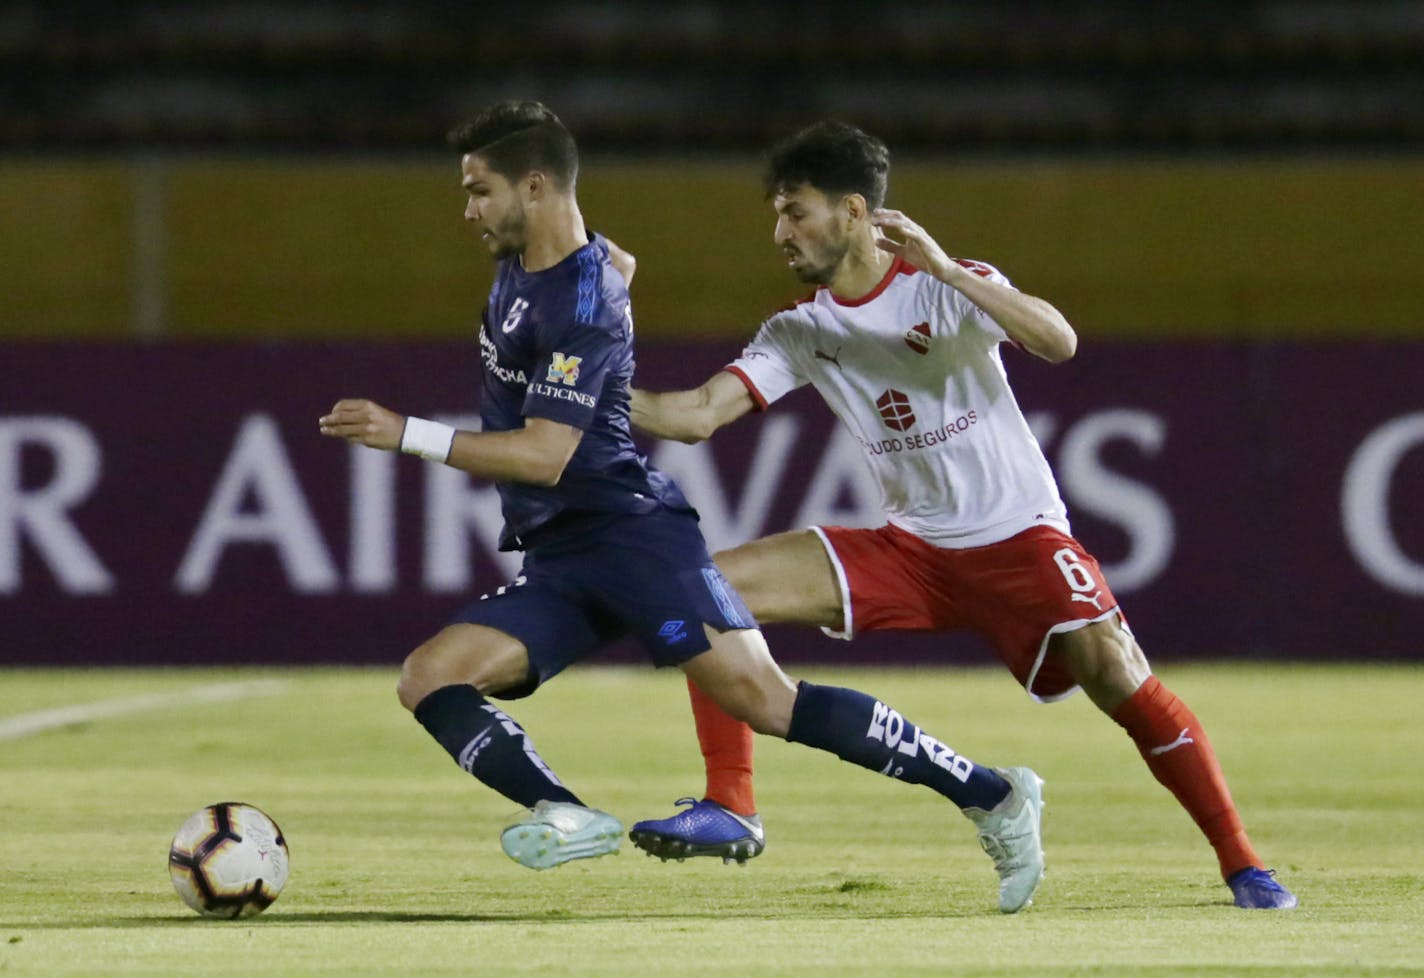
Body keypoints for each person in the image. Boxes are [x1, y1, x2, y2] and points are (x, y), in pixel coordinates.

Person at [317, 100, 1048, 913]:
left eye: (479, 191)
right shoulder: (541, 269)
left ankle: (991, 794)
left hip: (630, 540)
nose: (468, 210)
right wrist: (612, 283)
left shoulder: (582, 299)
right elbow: (612, 261)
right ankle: (565, 812)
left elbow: (544, 454)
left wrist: (404, 433)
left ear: (534, 187)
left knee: (767, 702)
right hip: (560, 552)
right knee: (431, 677)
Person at [626, 120, 1297, 911]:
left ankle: (1243, 862)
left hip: (1019, 537)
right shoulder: (802, 326)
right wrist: (590, 396)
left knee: (1117, 674)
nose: (781, 232)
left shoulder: (943, 284)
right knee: (703, 592)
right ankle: (732, 805)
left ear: (852, 211)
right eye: (776, 213)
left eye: (796, 211)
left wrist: (946, 267)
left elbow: (1059, 341)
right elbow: (698, 414)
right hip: (912, 548)